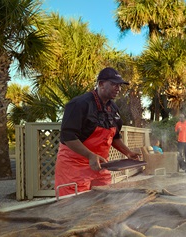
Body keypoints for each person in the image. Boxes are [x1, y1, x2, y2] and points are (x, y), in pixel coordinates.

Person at [55, 67, 141, 196]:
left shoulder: (113, 108)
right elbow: (68, 136)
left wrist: (128, 152)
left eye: (119, 85)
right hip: (74, 167)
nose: (118, 88)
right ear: (101, 84)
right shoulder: (79, 104)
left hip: (100, 165)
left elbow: (115, 137)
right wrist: (90, 155)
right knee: (74, 206)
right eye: (113, 84)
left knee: (104, 200)